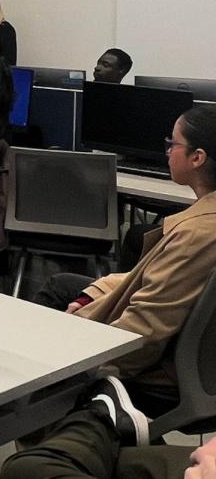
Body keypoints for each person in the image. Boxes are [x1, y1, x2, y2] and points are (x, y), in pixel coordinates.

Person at [32, 105, 216, 416]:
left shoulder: (197, 234)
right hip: (188, 351)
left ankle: (37, 399)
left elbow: (145, 331)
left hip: (159, 376)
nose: (167, 150)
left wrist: (79, 370)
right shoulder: (201, 223)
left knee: (55, 298)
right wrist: (93, 294)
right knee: (65, 285)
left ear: (197, 158)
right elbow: (156, 277)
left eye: (173, 143)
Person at [0, 375, 216, 479]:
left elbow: (150, 325)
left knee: (26, 469)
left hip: (156, 377)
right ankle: (102, 419)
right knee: (115, 457)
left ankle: (100, 416)